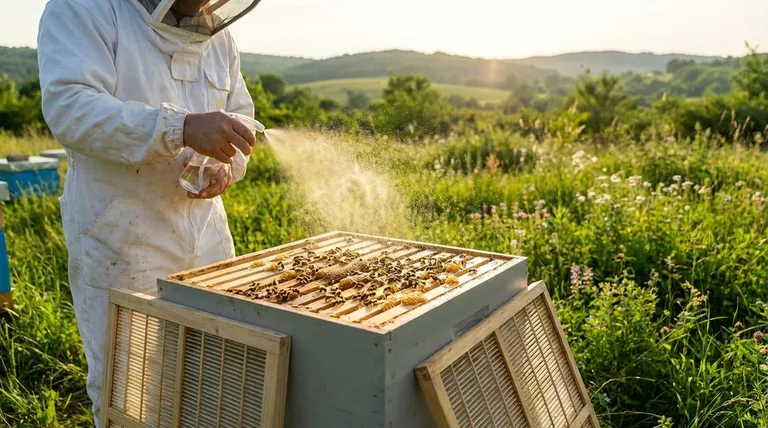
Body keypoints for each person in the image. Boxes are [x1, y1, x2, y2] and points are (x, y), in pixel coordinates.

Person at [37, 0, 262, 425]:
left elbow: (240, 115)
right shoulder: (82, 9)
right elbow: (71, 108)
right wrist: (179, 128)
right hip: (121, 231)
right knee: (130, 383)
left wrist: (226, 166)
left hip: (205, 229)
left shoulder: (219, 37)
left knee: (218, 370)